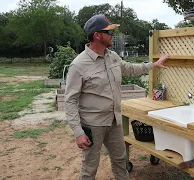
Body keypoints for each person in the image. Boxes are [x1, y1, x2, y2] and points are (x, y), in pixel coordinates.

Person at [65, 14, 169, 180]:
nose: (113, 35)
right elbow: (70, 101)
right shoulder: (78, 65)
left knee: (120, 160)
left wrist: (153, 65)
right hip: (93, 125)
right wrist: (78, 132)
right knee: (90, 167)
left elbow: (129, 68)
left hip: (114, 121)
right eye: (109, 32)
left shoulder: (112, 56)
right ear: (97, 35)